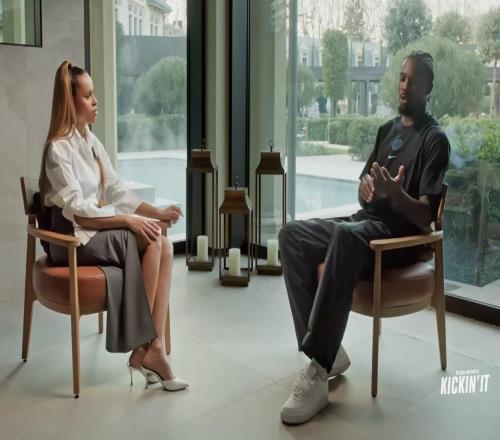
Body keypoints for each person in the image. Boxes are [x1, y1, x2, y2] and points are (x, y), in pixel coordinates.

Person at [278, 50, 450, 424]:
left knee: (345, 234)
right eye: (402, 77)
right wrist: (367, 190)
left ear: (428, 88)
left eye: (414, 81)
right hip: (363, 225)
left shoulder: (434, 140)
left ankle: (317, 371)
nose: (405, 86)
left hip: (398, 239)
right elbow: (364, 187)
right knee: (291, 235)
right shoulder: (386, 130)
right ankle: (330, 350)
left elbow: (426, 217)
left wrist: (396, 195)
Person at [39, 60, 188, 391]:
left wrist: (158, 213)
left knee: (163, 242)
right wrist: (128, 221)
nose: (95, 102)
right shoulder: (57, 149)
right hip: (70, 239)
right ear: (70, 101)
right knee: (153, 240)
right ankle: (147, 348)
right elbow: (79, 213)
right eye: (88, 95)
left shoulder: (90, 141)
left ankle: (154, 348)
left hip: (92, 230)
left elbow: (117, 189)